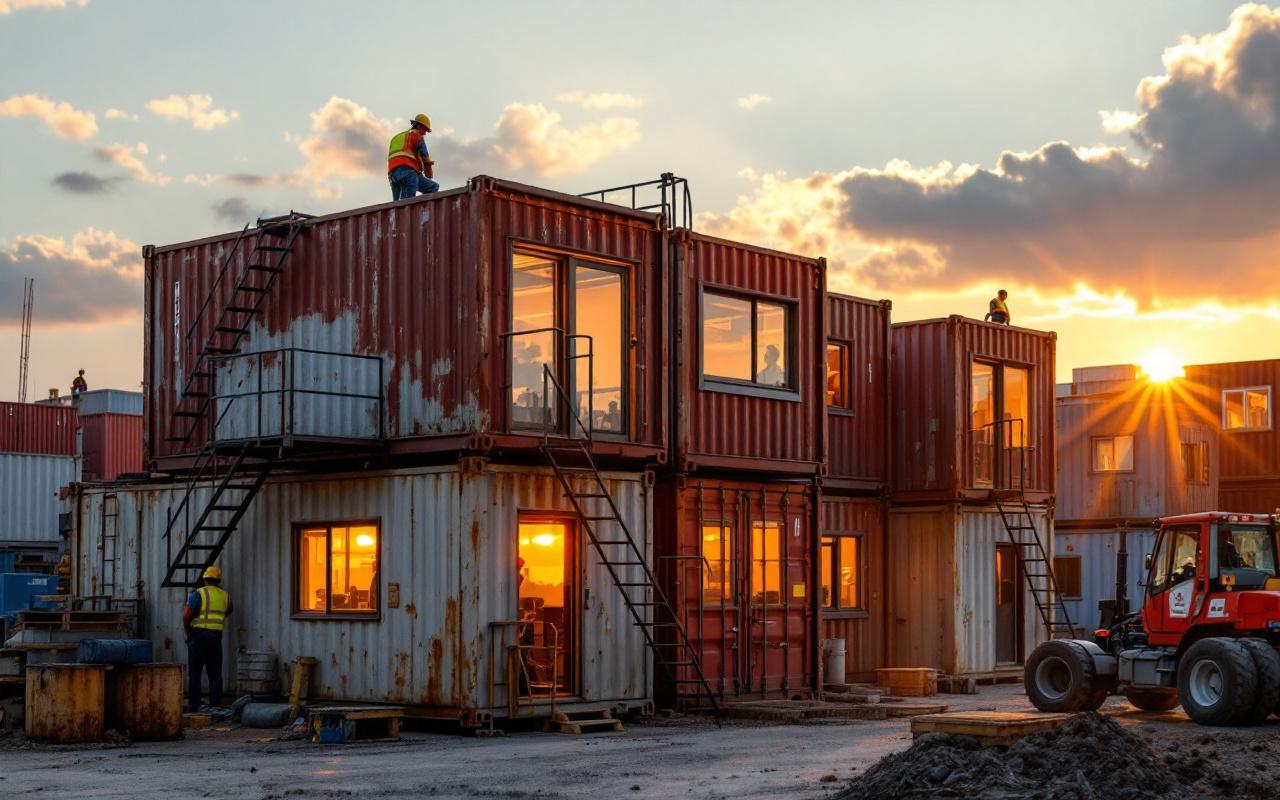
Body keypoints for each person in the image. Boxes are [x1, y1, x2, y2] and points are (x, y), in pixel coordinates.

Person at [183, 565, 233, 712]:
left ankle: (194, 705)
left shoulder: (198, 594)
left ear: (205, 579)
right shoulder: (225, 596)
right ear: (218, 580)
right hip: (215, 637)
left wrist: (188, 630)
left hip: (198, 636)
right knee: (215, 673)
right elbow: (228, 610)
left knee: (195, 672)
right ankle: (215, 705)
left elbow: (186, 616)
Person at [387, 113, 440, 201]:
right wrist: (429, 173)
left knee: (433, 187)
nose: (425, 134)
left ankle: (414, 209)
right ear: (419, 127)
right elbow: (426, 159)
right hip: (408, 173)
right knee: (408, 202)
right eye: (425, 130)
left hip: (393, 176)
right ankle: (411, 210)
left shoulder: (397, 137)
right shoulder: (416, 136)